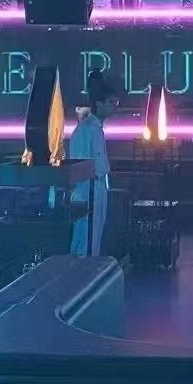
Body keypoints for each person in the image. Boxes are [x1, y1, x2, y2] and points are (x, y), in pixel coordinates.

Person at [68, 70, 118, 258]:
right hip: (87, 190)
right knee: (86, 236)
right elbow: (79, 163)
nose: (114, 108)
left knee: (94, 235)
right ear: (99, 103)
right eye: (111, 103)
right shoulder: (85, 130)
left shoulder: (95, 129)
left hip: (97, 187)